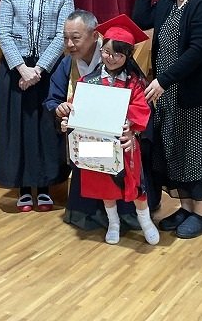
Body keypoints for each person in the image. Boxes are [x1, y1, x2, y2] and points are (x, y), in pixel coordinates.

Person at [132, 0, 202, 239]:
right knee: (174, 149)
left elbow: (198, 50)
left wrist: (163, 80)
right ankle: (185, 208)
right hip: (167, 91)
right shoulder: (168, 0)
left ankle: (201, 214)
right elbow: (140, 18)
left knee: (196, 150)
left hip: (194, 91)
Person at [60, 14, 159, 245]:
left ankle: (145, 222)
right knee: (105, 185)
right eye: (106, 52)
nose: (111, 58)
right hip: (98, 143)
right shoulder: (89, 81)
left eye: (118, 54)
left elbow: (141, 108)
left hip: (125, 143)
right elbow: (78, 107)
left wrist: (130, 125)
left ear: (128, 55)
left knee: (134, 185)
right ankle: (113, 223)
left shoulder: (134, 83)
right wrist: (69, 121)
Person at [0, 0, 74, 212]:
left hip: (47, 70)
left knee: (45, 128)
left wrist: (38, 69)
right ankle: (24, 188)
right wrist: (22, 68)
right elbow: (3, 32)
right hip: (15, 69)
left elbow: (63, 36)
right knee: (19, 127)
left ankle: (45, 186)